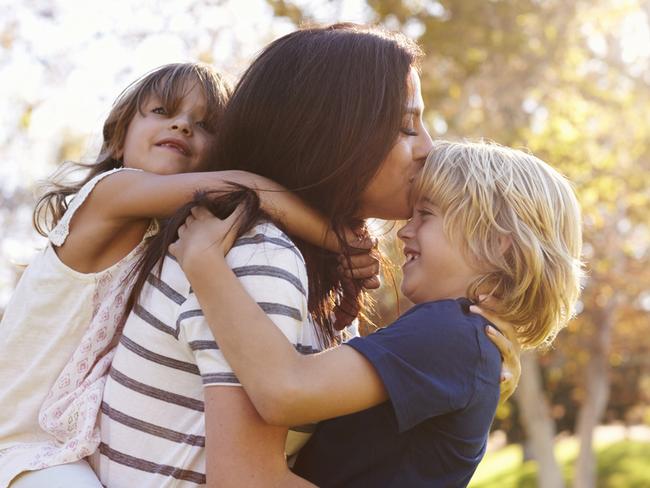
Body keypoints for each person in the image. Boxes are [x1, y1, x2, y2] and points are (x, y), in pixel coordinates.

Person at [95, 24, 521, 487]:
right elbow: (249, 480)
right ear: (331, 134)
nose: (427, 149)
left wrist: (466, 365)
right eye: (405, 126)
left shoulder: (307, 263)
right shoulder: (259, 257)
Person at [0, 62, 342, 488]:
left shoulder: (164, 238)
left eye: (204, 125)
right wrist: (340, 239)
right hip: (23, 444)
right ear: (118, 140)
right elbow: (244, 187)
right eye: (163, 112)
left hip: (74, 439)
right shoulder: (110, 194)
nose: (182, 127)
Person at [170, 139, 583, 487]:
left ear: (497, 243)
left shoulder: (451, 333)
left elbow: (285, 391)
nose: (404, 230)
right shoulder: (463, 341)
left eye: (427, 214)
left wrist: (204, 263)